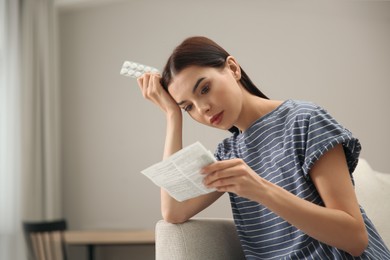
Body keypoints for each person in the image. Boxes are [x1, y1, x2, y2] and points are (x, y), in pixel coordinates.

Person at [137, 36, 390, 259]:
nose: (202, 109)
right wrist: (172, 116)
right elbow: (174, 210)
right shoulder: (228, 153)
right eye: (188, 106)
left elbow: (355, 239)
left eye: (205, 88)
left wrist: (260, 189)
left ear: (233, 68)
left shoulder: (304, 120)